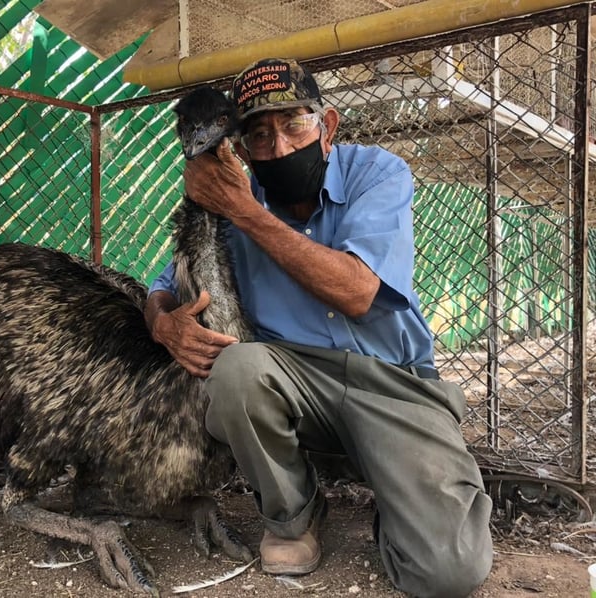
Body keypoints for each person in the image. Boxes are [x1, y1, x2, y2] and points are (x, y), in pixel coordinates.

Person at [144, 58, 493, 598]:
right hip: (298, 383)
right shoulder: (231, 204)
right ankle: (294, 513)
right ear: (240, 148)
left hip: (393, 386)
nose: (279, 147)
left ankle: (402, 497)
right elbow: (164, 284)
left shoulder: (376, 173)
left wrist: (244, 212)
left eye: (293, 125)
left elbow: (357, 292)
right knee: (236, 368)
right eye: (259, 135)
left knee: (447, 573)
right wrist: (163, 324)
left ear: (326, 126)